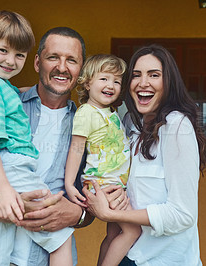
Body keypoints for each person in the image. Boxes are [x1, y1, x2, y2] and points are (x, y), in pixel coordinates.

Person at [0, 26, 127, 265]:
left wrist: (78, 214)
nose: (62, 67)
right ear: (37, 63)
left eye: (72, 60)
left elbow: (89, 198)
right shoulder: (6, 105)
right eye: (53, 57)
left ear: (81, 70)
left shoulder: (90, 128)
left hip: (41, 258)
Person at [0, 11, 73, 266]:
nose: (11, 61)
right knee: (58, 232)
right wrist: (3, 189)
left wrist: (18, 92)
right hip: (8, 167)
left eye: (19, 55)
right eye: (3, 50)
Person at [83, 44, 206, 266]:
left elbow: (183, 215)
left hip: (163, 260)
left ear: (168, 82)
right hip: (128, 255)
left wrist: (113, 215)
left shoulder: (177, 126)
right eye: (136, 75)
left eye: (154, 75)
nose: (143, 83)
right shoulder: (130, 123)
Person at [64, 54, 141, 266]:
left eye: (116, 81)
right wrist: (70, 183)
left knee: (115, 233)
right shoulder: (87, 112)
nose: (111, 85)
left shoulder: (110, 112)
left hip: (115, 183)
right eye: (104, 79)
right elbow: (77, 148)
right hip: (103, 183)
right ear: (87, 83)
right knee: (133, 230)